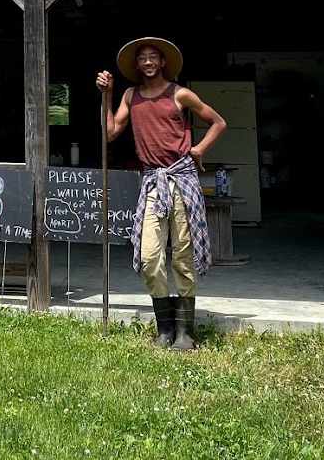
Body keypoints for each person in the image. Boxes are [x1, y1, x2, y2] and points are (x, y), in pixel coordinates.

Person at [96, 36, 226, 350]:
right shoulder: (130, 95)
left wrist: (198, 149)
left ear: (163, 61)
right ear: (137, 64)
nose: (148, 62)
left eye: (153, 57)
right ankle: (164, 327)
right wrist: (108, 95)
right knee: (149, 256)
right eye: (142, 58)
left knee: (183, 255)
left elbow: (218, 122)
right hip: (153, 182)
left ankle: (184, 332)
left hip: (181, 180)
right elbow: (111, 133)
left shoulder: (180, 94)